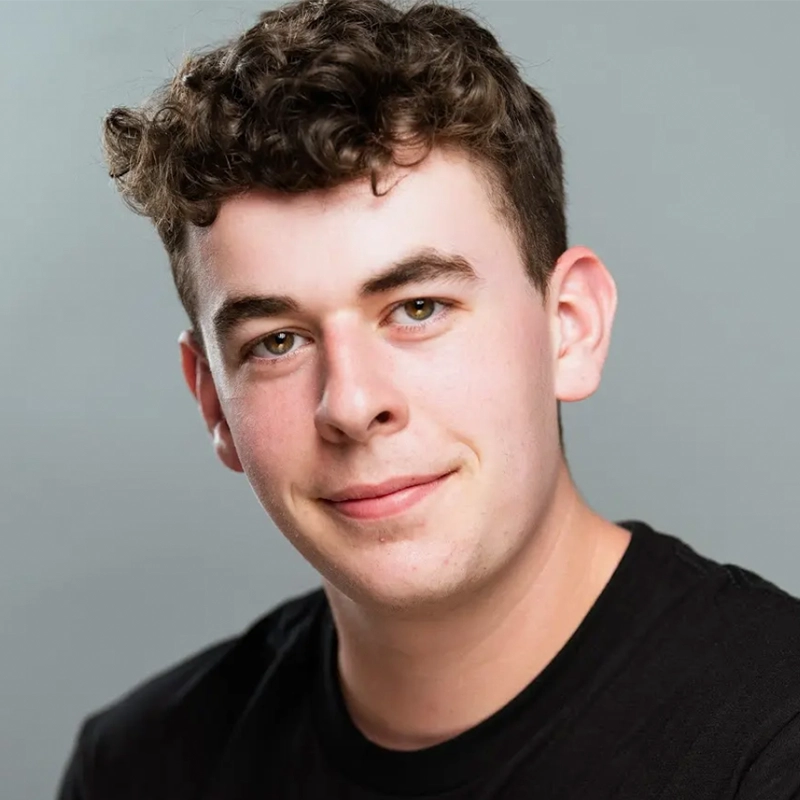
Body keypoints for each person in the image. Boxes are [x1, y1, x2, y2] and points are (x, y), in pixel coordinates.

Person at [57, 0, 800, 797]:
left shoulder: (771, 741)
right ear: (213, 403)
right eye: (277, 341)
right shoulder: (138, 769)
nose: (351, 404)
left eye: (418, 308)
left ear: (570, 328)